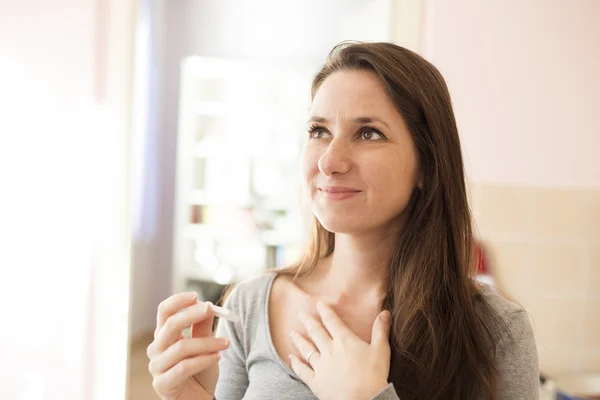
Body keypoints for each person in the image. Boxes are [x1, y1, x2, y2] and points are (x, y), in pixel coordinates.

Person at [146, 42, 539, 400]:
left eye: (368, 133)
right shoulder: (250, 306)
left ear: (429, 165)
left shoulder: (496, 329)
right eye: (319, 131)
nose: (329, 161)